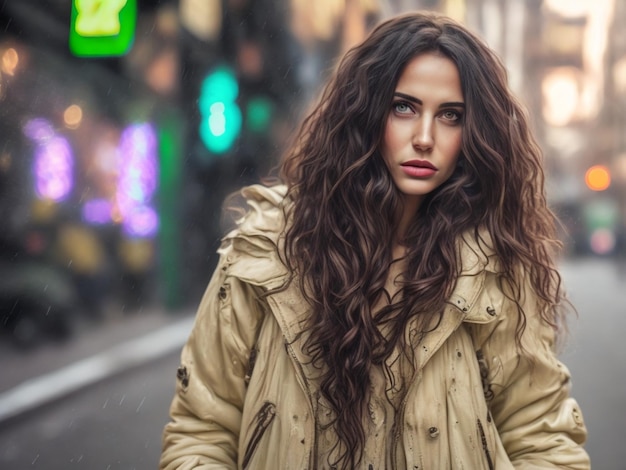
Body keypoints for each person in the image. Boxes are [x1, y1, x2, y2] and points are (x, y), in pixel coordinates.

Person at [160, 11, 590, 470]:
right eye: (403, 107)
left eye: (450, 116)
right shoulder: (267, 249)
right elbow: (201, 431)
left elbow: (542, 441)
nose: (424, 138)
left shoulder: (491, 268)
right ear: (366, 112)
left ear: (474, 134)